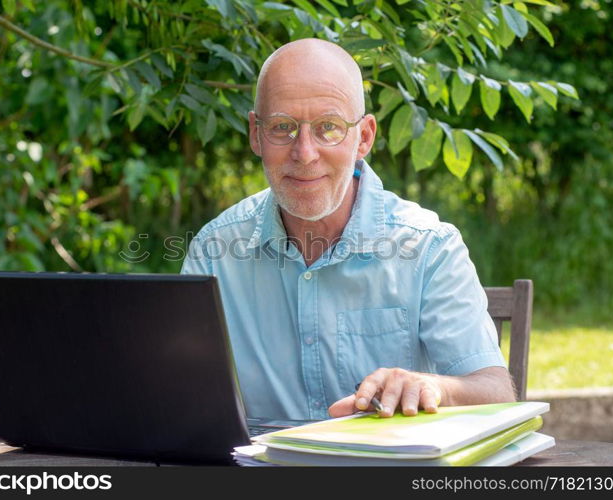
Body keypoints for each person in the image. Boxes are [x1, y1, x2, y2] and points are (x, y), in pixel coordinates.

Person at [181, 38, 515, 421]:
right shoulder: (214, 251)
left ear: (364, 137)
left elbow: (496, 392)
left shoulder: (429, 247)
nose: (304, 152)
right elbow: (182, 397)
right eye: (282, 128)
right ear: (256, 135)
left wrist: (432, 386)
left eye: (329, 127)